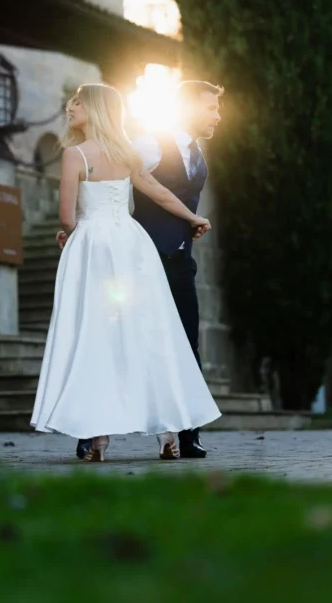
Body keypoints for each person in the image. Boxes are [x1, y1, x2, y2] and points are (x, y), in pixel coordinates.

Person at [30, 83, 221, 461]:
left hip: (93, 248)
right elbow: (162, 193)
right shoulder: (128, 154)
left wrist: (65, 233)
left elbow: (68, 217)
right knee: (150, 333)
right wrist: (194, 218)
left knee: (94, 337)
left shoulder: (74, 156)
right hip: (135, 246)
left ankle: (96, 438)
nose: (70, 107)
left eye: (78, 103)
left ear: (95, 109)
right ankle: (169, 433)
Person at [132, 80, 223, 458]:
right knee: (126, 341)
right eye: (210, 108)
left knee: (187, 344)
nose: (217, 116)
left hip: (181, 261)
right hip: (143, 259)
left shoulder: (198, 153)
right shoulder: (150, 144)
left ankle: (189, 433)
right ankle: (92, 432)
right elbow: (116, 184)